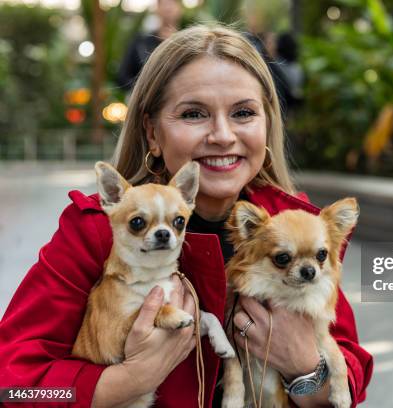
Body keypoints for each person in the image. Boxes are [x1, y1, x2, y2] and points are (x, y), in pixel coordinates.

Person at [0, 25, 373, 408]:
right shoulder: (97, 229)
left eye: (243, 112)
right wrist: (128, 380)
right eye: (194, 114)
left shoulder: (299, 229)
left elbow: (349, 385)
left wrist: (303, 368)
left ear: (268, 123)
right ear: (152, 132)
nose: (223, 135)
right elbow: (13, 384)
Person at [116, 0, 182, 92]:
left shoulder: (187, 45)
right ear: (157, 8)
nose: (168, 8)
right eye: (164, 3)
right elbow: (123, 76)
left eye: (172, 3)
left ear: (179, 8)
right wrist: (147, 89)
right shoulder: (140, 42)